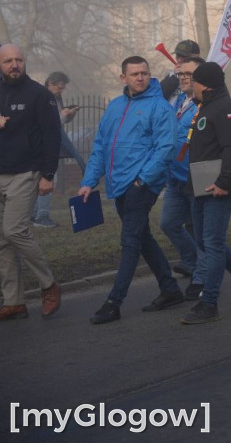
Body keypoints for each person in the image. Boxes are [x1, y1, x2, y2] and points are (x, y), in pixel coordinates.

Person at [80, 56, 184, 325]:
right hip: (119, 184)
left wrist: (143, 179)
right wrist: (89, 181)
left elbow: (167, 148)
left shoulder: (160, 107)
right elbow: (101, 147)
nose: (140, 78)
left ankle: (114, 302)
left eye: (145, 73)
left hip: (142, 185)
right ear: (123, 78)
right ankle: (170, 289)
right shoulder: (115, 106)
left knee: (130, 241)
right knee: (142, 236)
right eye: (135, 74)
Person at [181, 62, 231, 324]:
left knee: (213, 244)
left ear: (203, 84)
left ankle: (209, 303)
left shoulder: (226, 108)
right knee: (207, 242)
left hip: (218, 189)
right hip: (199, 187)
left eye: (193, 81)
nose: (190, 85)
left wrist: (224, 183)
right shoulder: (204, 107)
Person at [0, 44, 62, 320]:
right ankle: (14, 301)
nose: (14, 65)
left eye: (19, 60)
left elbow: (52, 136)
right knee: (2, 240)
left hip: (26, 173)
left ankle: (48, 285)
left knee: (14, 230)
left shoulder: (39, 94)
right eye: (8, 61)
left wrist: (48, 175)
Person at [160, 56, 204, 294]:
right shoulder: (179, 101)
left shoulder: (203, 103)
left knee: (200, 231)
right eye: (181, 74)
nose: (183, 78)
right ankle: (194, 262)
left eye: (189, 74)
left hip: (194, 178)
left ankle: (201, 276)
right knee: (168, 224)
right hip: (174, 179)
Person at [31, 71, 84, 228]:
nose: (61, 91)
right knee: (48, 179)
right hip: (44, 146)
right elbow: (46, 124)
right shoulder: (42, 98)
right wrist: (62, 116)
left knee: (42, 180)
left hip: (52, 144)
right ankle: (41, 216)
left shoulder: (55, 98)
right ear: (50, 84)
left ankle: (34, 215)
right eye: (59, 88)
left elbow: (58, 122)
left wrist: (69, 114)